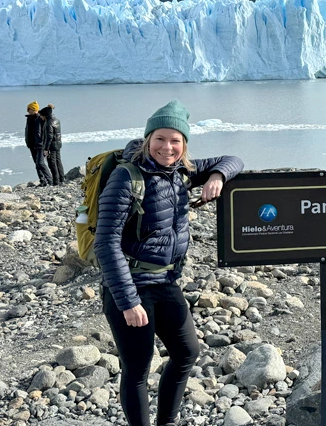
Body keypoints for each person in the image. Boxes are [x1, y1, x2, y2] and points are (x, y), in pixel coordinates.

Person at [94, 100, 243, 426]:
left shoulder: (182, 171)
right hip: (131, 285)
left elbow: (233, 159)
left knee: (187, 352)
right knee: (138, 367)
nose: (167, 147)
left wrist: (217, 176)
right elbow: (104, 244)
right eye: (160, 138)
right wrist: (129, 302)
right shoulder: (126, 178)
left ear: (184, 144)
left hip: (165, 283)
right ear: (148, 139)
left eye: (175, 140)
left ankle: (167, 422)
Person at [24, 101, 52, 186]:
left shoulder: (40, 118)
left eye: (29, 109)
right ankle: (42, 181)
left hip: (40, 144)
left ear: (33, 109)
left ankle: (50, 180)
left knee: (40, 163)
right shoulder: (29, 118)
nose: (28, 110)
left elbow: (44, 130)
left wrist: (44, 143)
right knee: (37, 164)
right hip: (32, 144)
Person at [40, 104, 65, 185]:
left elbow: (49, 137)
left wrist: (46, 149)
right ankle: (61, 179)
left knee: (52, 163)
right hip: (58, 144)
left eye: (41, 115)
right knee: (58, 161)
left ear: (45, 116)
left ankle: (56, 181)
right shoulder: (57, 120)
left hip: (51, 146)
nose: (40, 117)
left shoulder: (48, 123)